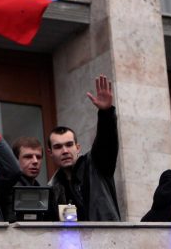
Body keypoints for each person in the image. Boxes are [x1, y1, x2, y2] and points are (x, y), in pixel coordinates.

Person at [47, 74, 120, 221]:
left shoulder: (96, 165)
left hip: (105, 240)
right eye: (58, 147)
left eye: (69, 145)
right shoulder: (52, 187)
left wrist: (105, 113)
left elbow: (106, 143)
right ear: (50, 153)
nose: (65, 151)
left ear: (77, 147)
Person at [1, 136, 55, 222]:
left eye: (38, 157)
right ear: (15, 160)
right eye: (28, 157)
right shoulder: (6, 187)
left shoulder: (41, 190)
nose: (35, 161)